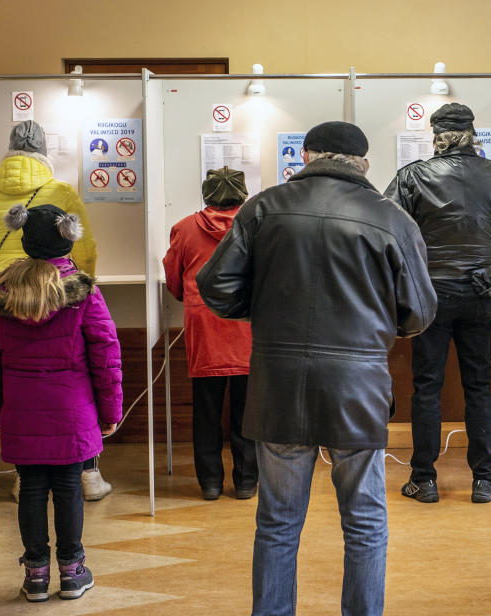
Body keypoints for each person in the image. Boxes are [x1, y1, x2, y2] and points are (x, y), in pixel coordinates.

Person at [197, 121, 436, 615]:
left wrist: (261, 310)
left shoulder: (262, 207)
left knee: (278, 522)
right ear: (364, 163)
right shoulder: (391, 218)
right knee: (364, 520)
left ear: (306, 155)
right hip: (358, 386)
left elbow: (215, 285)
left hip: (278, 383)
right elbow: (419, 311)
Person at [0, 203, 122, 602]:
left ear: (24, 238)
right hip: (72, 410)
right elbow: (106, 354)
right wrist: (110, 410)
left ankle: (36, 575)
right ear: (67, 238)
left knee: (32, 489)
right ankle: (72, 573)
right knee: (70, 486)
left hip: (21, 409)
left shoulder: (0, 292)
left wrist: (0, 407)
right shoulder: (83, 292)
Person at [0, 120, 108, 502]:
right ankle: (89, 475)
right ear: (45, 153)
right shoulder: (61, 191)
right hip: (61, 291)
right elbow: (86, 246)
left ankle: (21, 477)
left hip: (6, 297)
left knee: (20, 380)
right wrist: (81, 286)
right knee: (76, 380)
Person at [384, 102, 491, 504]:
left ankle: (423, 479)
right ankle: (484, 480)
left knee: (426, 388)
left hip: (431, 294)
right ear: (474, 134)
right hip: (480, 292)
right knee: (480, 387)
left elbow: (389, 223)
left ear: (436, 136)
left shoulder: (413, 175)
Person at [163, 166, 259, 501]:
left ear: (207, 194)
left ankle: (210, 484)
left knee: (206, 410)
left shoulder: (184, 229)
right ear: (242, 194)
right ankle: (247, 481)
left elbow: (174, 278)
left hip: (205, 327)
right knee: (248, 410)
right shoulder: (257, 225)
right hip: (248, 327)